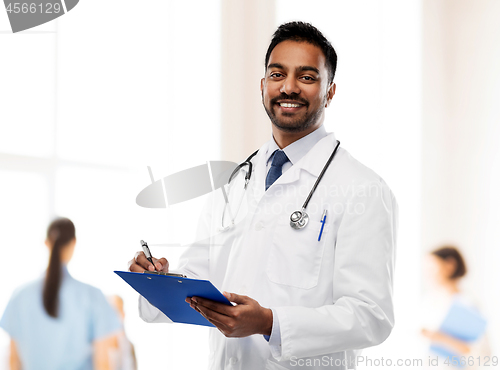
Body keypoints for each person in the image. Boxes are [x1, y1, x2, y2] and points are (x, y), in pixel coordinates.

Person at [128, 21, 398, 370]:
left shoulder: (363, 189)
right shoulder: (233, 182)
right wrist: (159, 280)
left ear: (330, 91)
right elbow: (200, 275)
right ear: (262, 86)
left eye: (307, 76)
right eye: (277, 74)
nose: (288, 87)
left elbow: (371, 316)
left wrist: (270, 323)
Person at [0, 217, 121, 370]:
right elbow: (103, 364)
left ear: (46, 243)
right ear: (74, 243)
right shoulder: (93, 297)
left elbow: (13, 361)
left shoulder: (20, 296)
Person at [420, 246, 490, 369]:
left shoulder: (468, 304)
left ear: (450, 265)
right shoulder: (427, 301)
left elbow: (483, 354)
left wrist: (441, 338)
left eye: (431, 268)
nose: (427, 274)